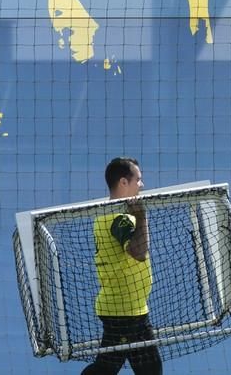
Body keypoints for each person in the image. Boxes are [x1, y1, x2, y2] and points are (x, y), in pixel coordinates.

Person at [82, 157, 163, 375]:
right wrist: (141, 215)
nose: (142, 185)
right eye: (138, 179)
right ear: (123, 182)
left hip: (132, 308)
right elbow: (138, 252)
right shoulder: (119, 217)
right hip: (123, 312)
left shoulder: (107, 213)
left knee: (149, 369)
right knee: (106, 368)